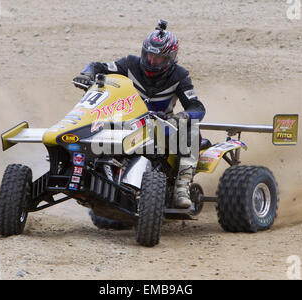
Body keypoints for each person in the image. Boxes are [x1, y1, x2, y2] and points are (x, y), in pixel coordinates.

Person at [73, 20, 206, 209]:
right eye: (149, 54)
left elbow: (197, 107)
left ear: (170, 58)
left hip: (161, 126)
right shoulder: (129, 64)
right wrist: (87, 74)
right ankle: (87, 176)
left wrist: (182, 117)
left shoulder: (180, 76)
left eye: (158, 58)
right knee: (94, 122)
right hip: (126, 122)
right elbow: (99, 66)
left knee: (190, 129)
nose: (151, 60)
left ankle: (182, 188)